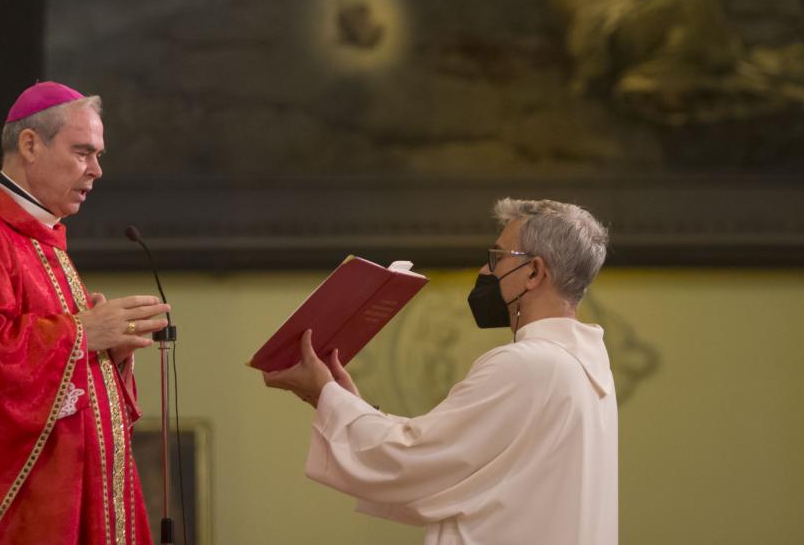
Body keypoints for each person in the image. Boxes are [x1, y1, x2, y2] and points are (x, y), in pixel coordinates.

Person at [0, 82, 171, 545]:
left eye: (98, 155)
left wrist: (110, 353)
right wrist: (82, 334)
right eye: (83, 152)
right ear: (30, 145)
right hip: (22, 519)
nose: (96, 170)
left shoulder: (40, 240)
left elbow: (64, 372)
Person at [263, 198, 618, 545]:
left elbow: (410, 462)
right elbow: (447, 466)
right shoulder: (583, 367)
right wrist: (345, 401)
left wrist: (325, 394)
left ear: (534, 272)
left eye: (497, 257)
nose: (484, 271)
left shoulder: (528, 364)